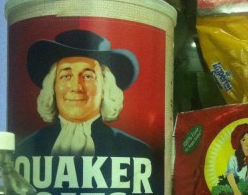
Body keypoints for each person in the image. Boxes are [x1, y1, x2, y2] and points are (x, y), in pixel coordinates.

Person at [16, 29, 149, 158]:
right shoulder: (26, 148)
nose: (76, 87)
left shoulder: (137, 151)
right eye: (66, 76)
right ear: (53, 87)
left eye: (87, 76)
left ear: (105, 88)